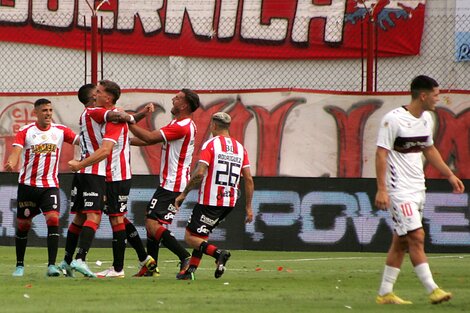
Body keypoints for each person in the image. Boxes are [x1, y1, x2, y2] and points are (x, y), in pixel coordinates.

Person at [374, 75, 465, 304]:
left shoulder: (427, 119)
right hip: (398, 189)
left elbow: (429, 149)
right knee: (416, 236)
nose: (438, 99)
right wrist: (382, 189)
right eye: (435, 95)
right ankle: (433, 289)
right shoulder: (392, 120)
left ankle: (385, 293)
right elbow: (381, 154)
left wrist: (450, 174)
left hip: (417, 187)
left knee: (401, 241)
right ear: (423, 95)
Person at [59, 81, 155, 278]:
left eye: (100, 92)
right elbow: (117, 118)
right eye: (96, 92)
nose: (97, 94)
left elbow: (107, 146)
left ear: (107, 97)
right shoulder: (105, 115)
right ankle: (142, 259)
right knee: (113, 217)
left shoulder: (106, 117)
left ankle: (117, 267)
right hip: (102, 173)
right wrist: (133, 116)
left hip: (114, 175)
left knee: (112, 218)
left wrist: (136, 115)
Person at [174, 112, 254, 280]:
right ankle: (190, 271)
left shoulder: (210, 145)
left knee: (190, 237)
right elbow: (248, 179)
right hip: (229, 202)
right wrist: (248, 207)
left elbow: (200, 173)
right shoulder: (240, 148)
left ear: (214, 126)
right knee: (201, 235)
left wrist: (184, 193)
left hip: (210, 200)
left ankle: (219, 254)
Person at [128, 89, 200, 277]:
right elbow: (151, 141)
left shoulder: (182, 126)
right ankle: (151, 267)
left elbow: (150, 137)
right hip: (171, 182)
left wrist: (129, 121)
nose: (173, 99)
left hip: (173, 184)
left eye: (177, 98)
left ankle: (184, 257)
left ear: (184, 105)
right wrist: (125, 141)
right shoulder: (180, 123)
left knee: (153, 224)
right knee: (150, 218)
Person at [5, 98, 79, 277]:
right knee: (23, 225)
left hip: (50, 186)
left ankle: (52, 266)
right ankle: (20, 265)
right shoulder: (26, 131)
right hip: (28, 186)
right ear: (36, 113)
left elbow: (82, 141)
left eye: (50, 110)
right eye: (44, 110)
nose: (48, 114)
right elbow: (16, 151)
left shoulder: (60, 131)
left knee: (53, 220)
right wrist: (11, 162)